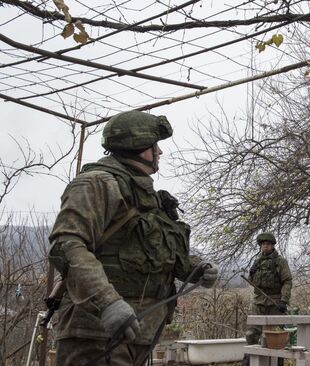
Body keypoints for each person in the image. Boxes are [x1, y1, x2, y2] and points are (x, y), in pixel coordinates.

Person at [47, 110, 219, 366]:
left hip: (137, 333)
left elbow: (153, 255)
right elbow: (68, 246)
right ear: (138, 146)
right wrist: (108, 303)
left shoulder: (147, 195)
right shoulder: (97, 183)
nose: (159, 152)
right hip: (95, 334)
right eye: (155, 145)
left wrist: (196, 270)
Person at [242, 232, 292, 366]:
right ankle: (248, 362)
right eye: (263, 244)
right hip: (258, 304)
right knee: (251, 335)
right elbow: (254, 283)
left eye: (268, 244)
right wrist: (251, 275)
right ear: (260, 246)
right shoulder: (257, 262)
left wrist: (283, 300)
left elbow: (287, 281)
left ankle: (277, 363)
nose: (265, 247)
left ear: (272, 245)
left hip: (275, 304)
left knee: (276, 339)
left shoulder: (280, 262)